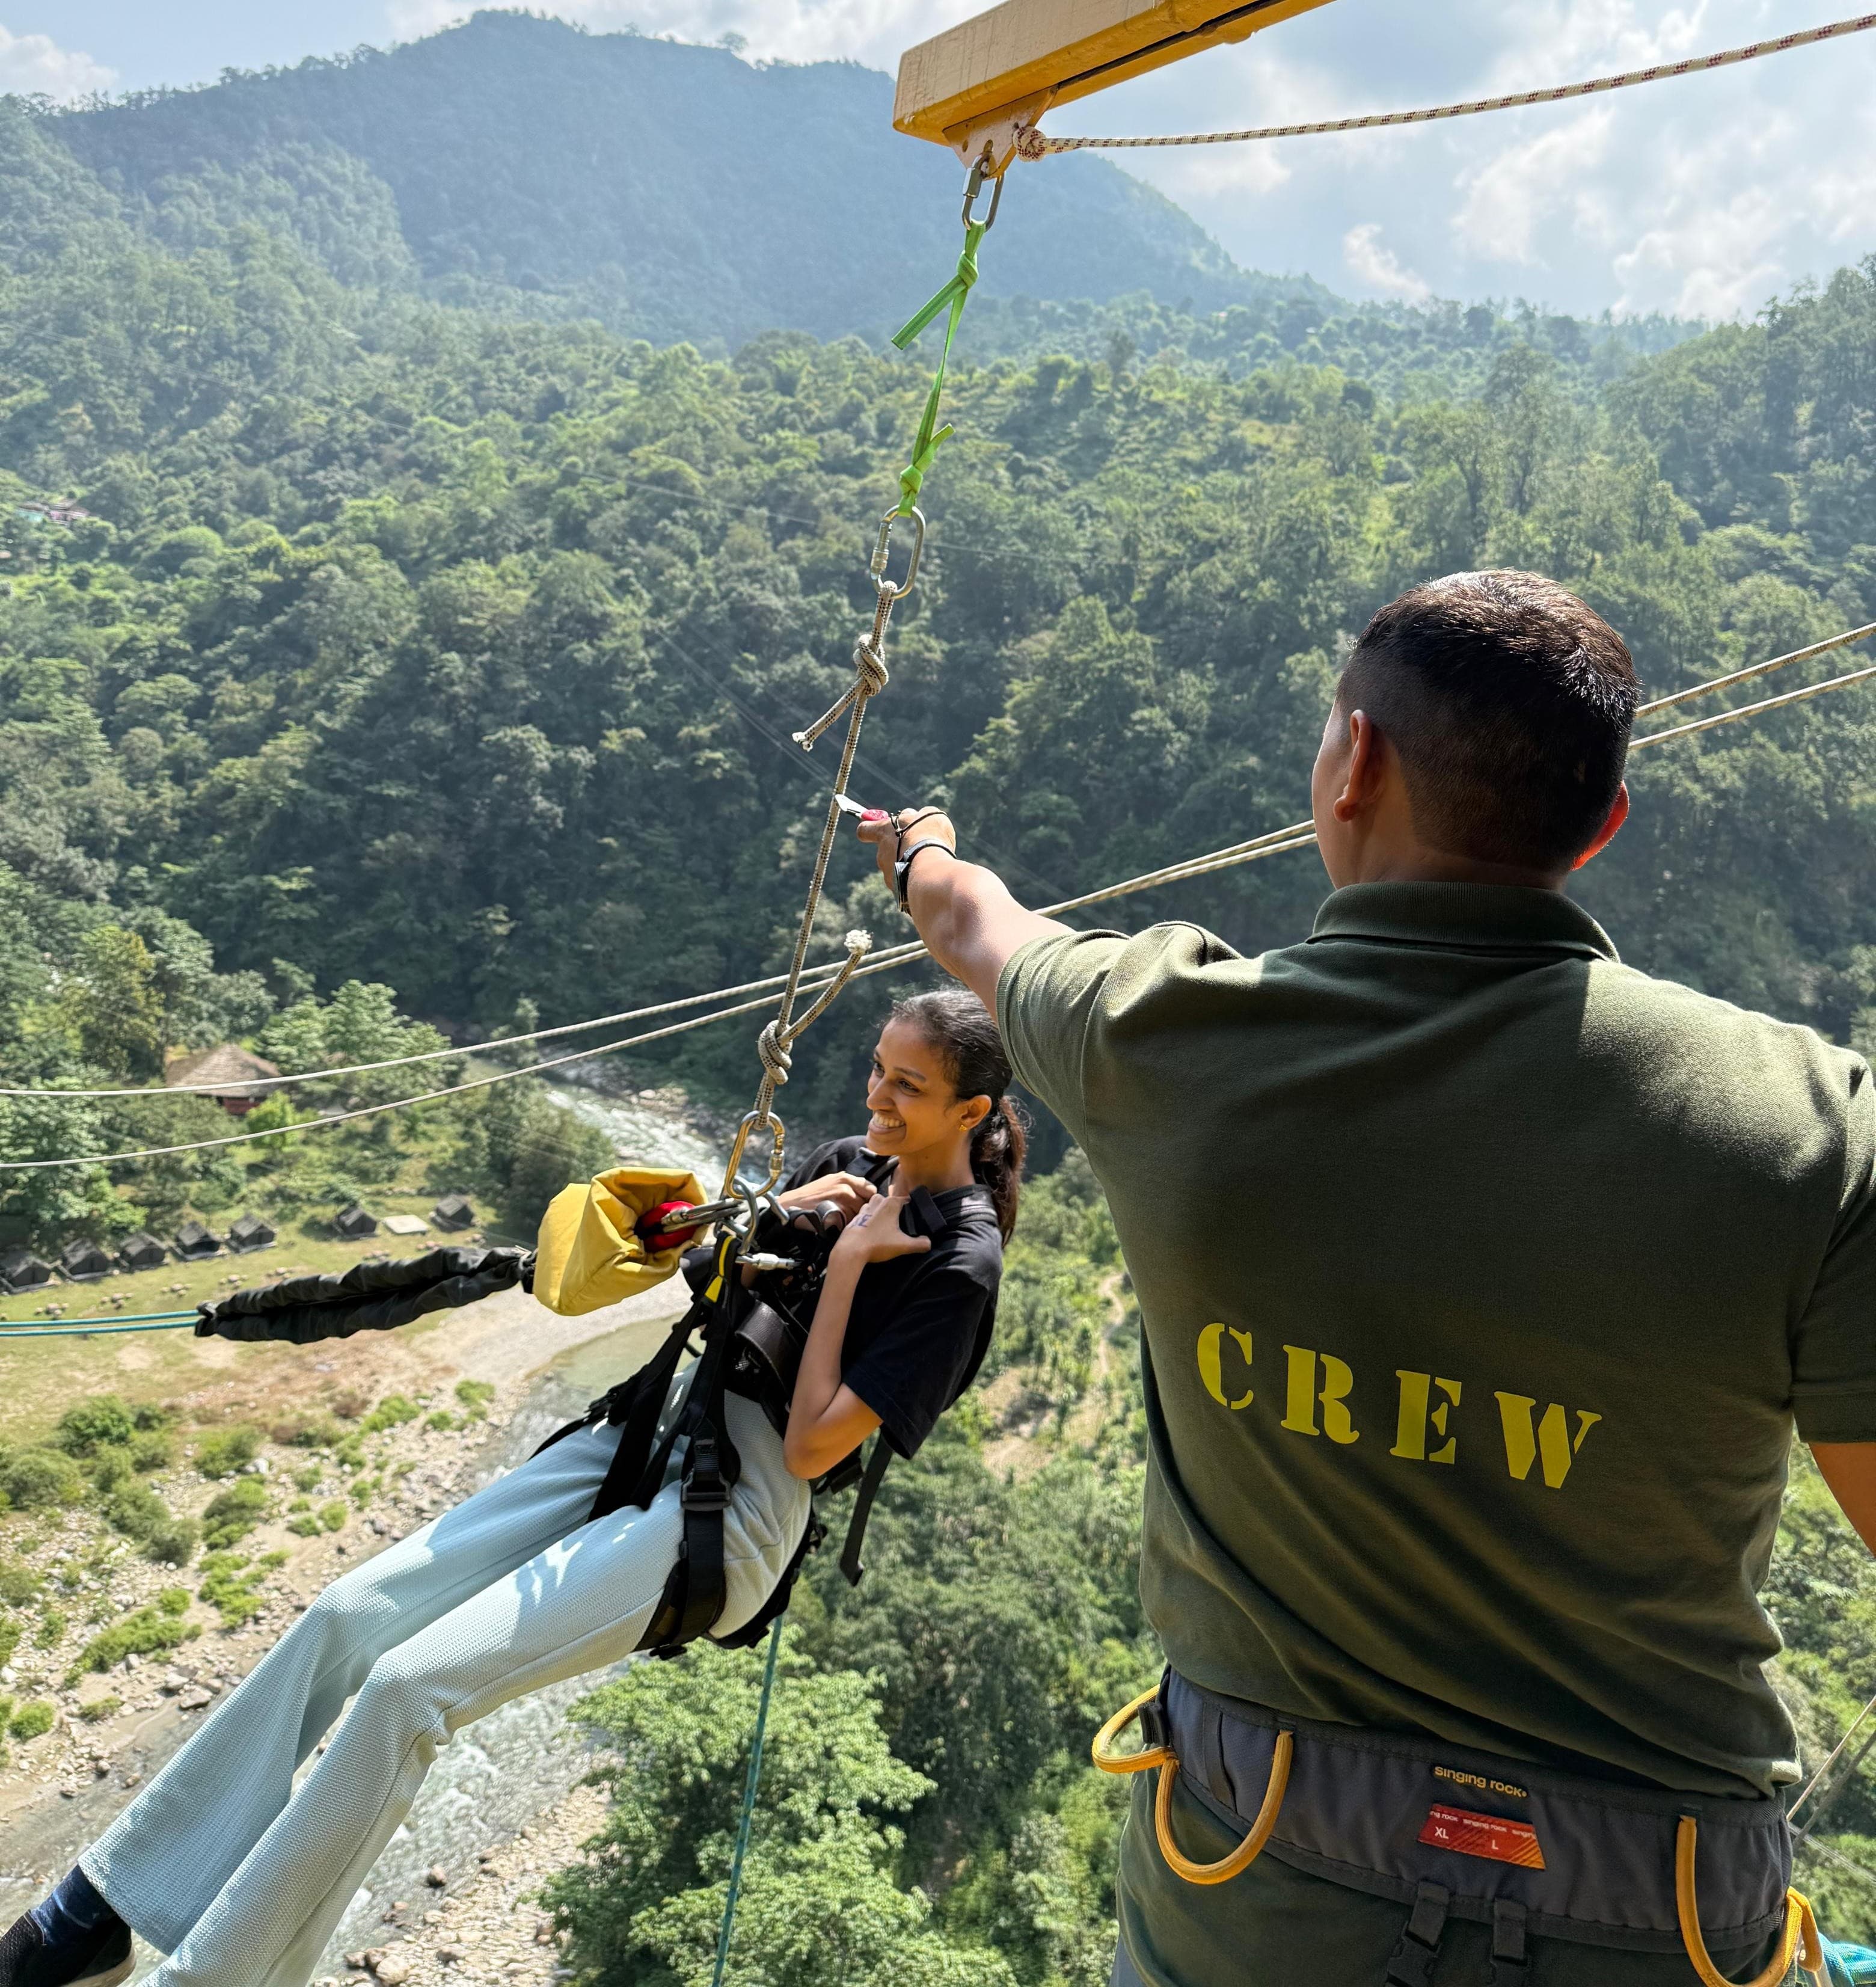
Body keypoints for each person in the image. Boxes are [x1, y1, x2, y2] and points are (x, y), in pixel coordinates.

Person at [857, 570, 1876, 1985]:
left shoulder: (1157, 1040)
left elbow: (978, 924)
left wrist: (918, 848)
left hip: (1257, 1886)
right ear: (1605, 825)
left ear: (1356, 761)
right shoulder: (1814, 1125)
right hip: (1663, 1913)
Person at [0, 989, 1021, 1987]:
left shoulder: (961, 1264)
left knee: (409, 1691)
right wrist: (793, 1210)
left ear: (971, 1114)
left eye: (908, 1087)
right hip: (661, 1425)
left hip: (734, 1513)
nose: (877, 1099)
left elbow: (809, 1450)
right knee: (348, 1614)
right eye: (878, 1070)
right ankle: (106, 1904)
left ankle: (217, 1973)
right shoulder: (849, 1166)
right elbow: (714, 1281)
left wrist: (843, 1267)